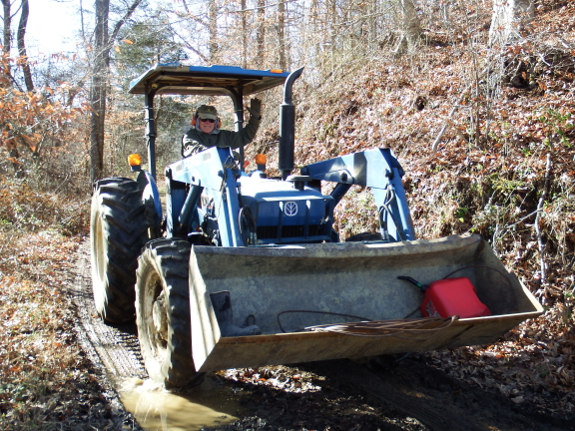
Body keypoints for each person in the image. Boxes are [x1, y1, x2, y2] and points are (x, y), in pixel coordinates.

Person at [182, 98, 262, 157]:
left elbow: (245, 136)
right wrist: (223, 153)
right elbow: (196, 151)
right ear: (196, 121)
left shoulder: (224, 136)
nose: (207, 122)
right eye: (204, 119)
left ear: (216, 122)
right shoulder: (190, 137)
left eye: (211, 120)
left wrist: (254, 119)